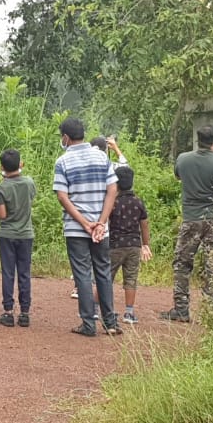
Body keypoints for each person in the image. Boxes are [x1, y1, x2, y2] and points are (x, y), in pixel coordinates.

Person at [54, 118, 122, 337]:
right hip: (101, 228)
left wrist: (84, 223)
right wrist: (101, 222)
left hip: (76, 228)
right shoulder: (102, 157)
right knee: (103, 271)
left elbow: (63, 197)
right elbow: (113, 190)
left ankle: (88, 323)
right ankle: (110, 322)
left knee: (82, 274)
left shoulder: (63, 161)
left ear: (65, 137)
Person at [161, 124, 213, 322]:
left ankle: (181, 309)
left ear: (197, 141)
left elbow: (178, 176)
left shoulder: (183, 159)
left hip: (191, 218)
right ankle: (211, 310)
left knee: (182, 263)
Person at [0, 149, 36, 328]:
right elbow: (30, 200)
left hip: (7, 234)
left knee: (8, 273)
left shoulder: (2, 188)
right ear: (21, 164)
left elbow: (2, 215)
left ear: (2, 167)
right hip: (26, 234)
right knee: (24, 273)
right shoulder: (29, 182)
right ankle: (25, 313)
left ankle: (8, 311)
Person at [108, 166, 151, 325]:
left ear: (116, 183)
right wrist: (145, 245)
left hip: (115, 244)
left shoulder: (113, 202)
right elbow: (144, 224)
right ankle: (129, 312)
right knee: (131, 279)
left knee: (106, 277)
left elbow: (107, 221)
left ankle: (98, 309)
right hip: (134, 245)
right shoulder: (138, 202)